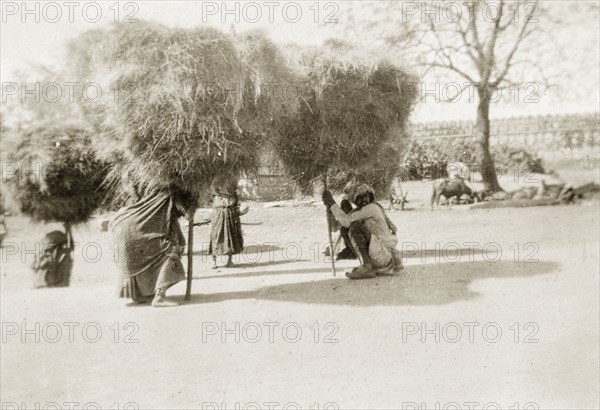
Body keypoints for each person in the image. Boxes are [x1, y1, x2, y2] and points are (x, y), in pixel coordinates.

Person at [110, 185, 191, 307]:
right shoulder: (170, 191)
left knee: (146, 256)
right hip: (138, 230)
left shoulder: (146, 189)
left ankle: (138, 295)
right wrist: (191, 207)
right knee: (170, 254)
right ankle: (159, 296)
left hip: (123, 223)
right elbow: (188, 215)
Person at [322, 184, 403, 279]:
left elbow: (347, 221)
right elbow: (335, 227)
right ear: (355, 201)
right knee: (345, 229)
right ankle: (366, 265)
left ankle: (367, 266)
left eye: (366, 196)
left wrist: (332, 203)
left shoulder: (372, 208)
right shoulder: (357, 212)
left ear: (371, 196)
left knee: (355, 226)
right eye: (359, 197)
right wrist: (330, 210)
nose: (363, 199)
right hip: (378, 254)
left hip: (384, 255)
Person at [209, 175, 244, 268]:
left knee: (231, 236)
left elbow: (237, 198)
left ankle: (229, 260)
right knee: (216, 235)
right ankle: (213, 260)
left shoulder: (233, 181)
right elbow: (212, 195)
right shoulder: (215, 180)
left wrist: (238, 210)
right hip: (218, 212)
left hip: (230, 212)